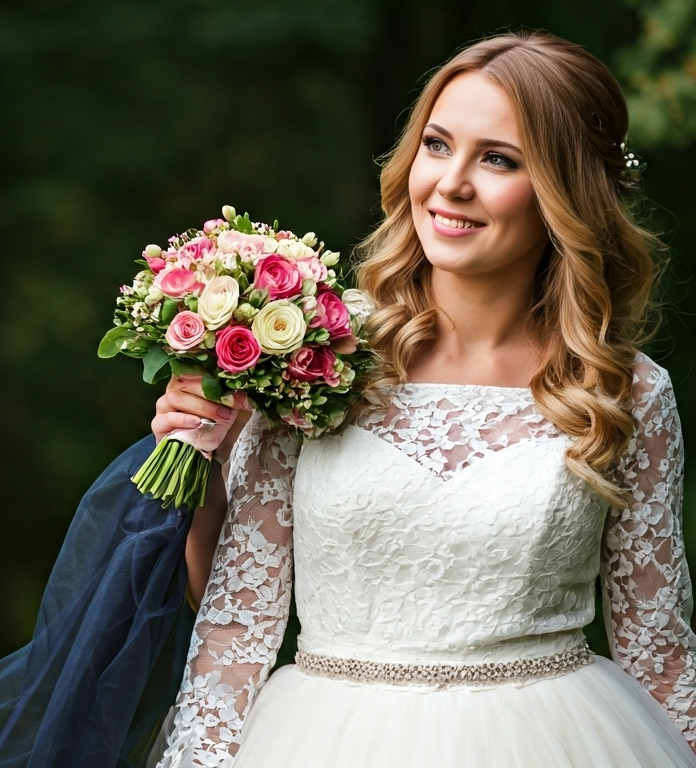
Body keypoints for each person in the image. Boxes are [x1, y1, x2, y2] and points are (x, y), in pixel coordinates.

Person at [150, 30, 696, 767]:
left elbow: (657, 651)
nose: (451, 183)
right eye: (437, 146)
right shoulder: (316, 351)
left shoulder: (623, 391)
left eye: (498, 158)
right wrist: (198, 460)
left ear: (567, 191)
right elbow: (231, 614)